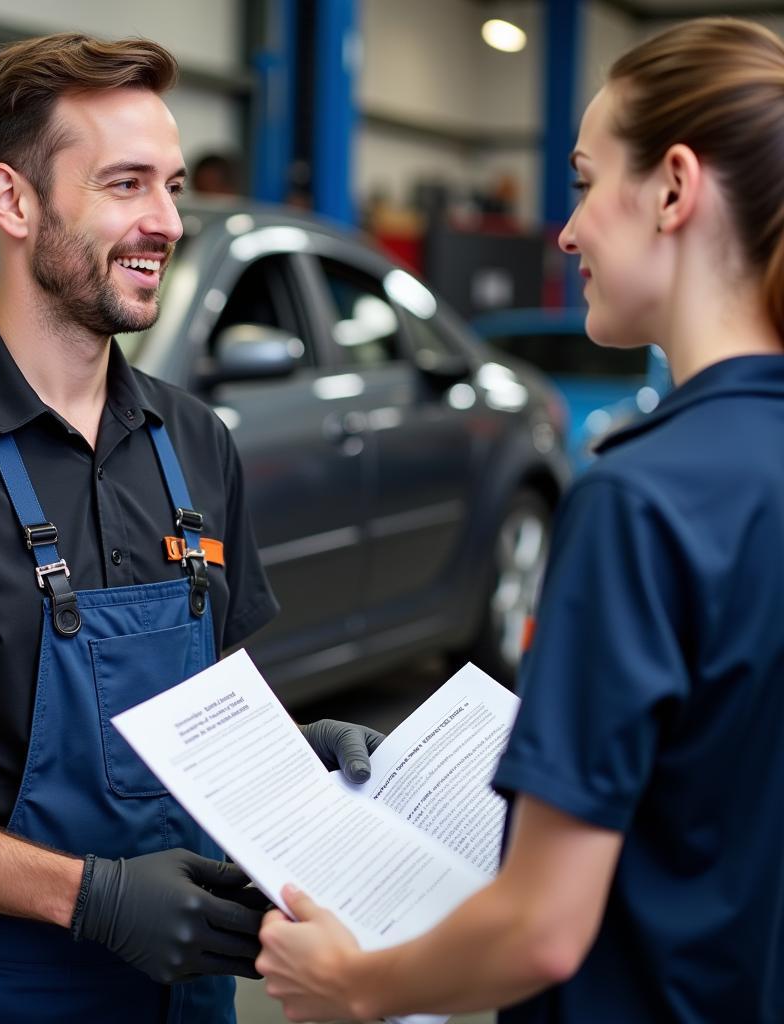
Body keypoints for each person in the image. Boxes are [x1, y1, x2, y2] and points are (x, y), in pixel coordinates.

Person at [0, 33, 381, 1024]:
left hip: (188, 995)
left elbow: (208, 715)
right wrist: (85, 896)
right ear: (13, 201)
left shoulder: (193, 443)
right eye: (127, 185)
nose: (167, 222)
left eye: (172, 186)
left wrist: (291, 761)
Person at [257, 17, 784, 1024]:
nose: (567, 229)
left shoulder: (639, 499)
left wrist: (351, 984)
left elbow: (543, 926)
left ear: (673, 187)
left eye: (585, 182)